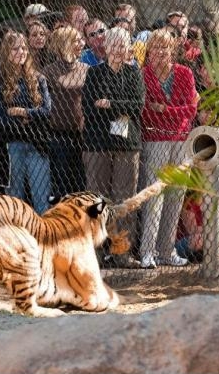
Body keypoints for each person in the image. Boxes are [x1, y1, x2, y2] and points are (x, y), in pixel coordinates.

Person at [82, 27, 145, 267]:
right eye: (114, 44)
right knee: (97, 199)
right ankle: (95, 253)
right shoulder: (94, 73)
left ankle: (122, 252)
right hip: (97, 143)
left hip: (127, 144)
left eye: (123, 44)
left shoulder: (133, 74)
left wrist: (109, 104)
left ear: (129, 47)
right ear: (106, 47)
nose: (118, 49)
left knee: (125, 199)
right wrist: (121, 107)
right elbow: (89, 108)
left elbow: (137, 105)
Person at [139, 28, 198, 268]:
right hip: (155, 141)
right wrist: (174, 112)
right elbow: (144, 112)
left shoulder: (184, 73)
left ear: (172, 49)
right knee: (155, 197)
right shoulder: (143, 75)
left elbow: (191, 109)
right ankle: (148, 251)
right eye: (156, 47)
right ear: (149, 51)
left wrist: (163, 110)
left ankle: (167, 250)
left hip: (181, 141)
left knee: (175, 197)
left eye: (165, 47)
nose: (161, 51)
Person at [0, 31, 51, 214]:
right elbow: (0, 117)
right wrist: (32, 116)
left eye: (24, 48)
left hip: (36, 143)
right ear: (7, 52)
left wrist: (23, 112)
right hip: (11, 145)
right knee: (14, 201)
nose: (21, 52)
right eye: (15, 48)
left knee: (42, 199)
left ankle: (43, 239)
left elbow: (47, 111)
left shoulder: (38, 79)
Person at [42, 26, 88, 199]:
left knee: (80, 183)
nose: (81, 43)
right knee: (61, 184)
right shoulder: (48, 72)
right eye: (76, 40)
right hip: (58, 135)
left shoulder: (86, 69)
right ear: (64, 44)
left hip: (81, 135)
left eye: (81, 39)